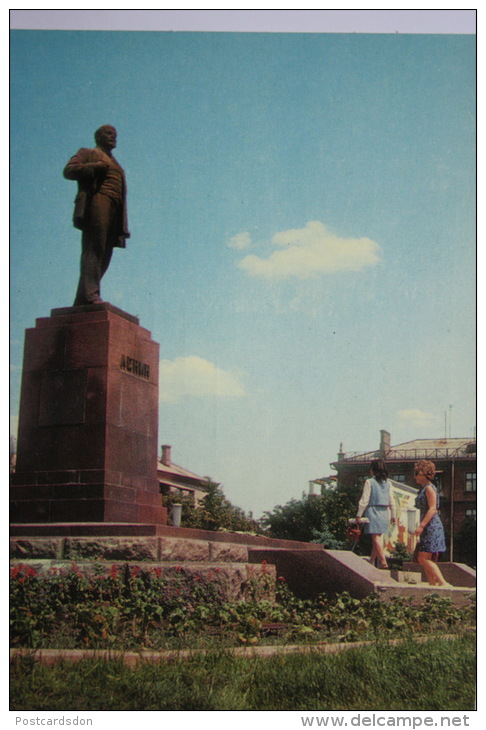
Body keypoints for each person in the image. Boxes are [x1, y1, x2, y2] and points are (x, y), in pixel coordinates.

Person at [64, 125, 130, 305]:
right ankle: (90, 294)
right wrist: (93, 167)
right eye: (109, 134)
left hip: (115, 207)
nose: (113, 137)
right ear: (98, 137)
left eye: (115, 135)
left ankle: (84, 296)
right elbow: (69, 170)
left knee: (106, 251)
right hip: (98, 201)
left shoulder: (116, 162)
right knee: (95, 247)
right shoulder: (88, 152)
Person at [413, 460, 450, 586]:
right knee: (426, 559)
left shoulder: (429, 488)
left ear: (424, 474)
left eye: (417, 473)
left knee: (422, 558)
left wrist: (421, 526)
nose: (415, 476)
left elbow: (433, 508)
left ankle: (443, 583)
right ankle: (432, 585)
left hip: (431, 527)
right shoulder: (424, 488)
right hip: (428, 527)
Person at [356, 459, 396, 569]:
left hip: (373, 510)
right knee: (378, 538)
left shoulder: (370, 482)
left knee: (375, 538)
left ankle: (383, 562)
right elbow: (392, 501)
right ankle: (371, 561)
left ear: (373, 470)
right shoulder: (388, 484)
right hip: (384, 512)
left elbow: (364, 500)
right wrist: (393, 515)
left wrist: (359, 514)